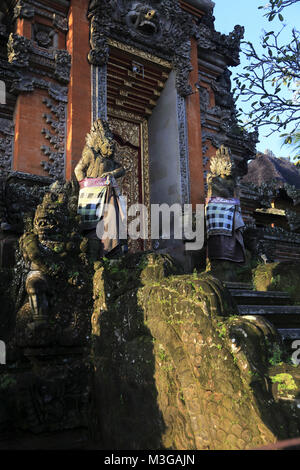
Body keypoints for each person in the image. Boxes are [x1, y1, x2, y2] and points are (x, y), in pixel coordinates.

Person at [74, 119, 126, 260]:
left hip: (107, 193)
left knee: (111, 217)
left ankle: (112, 246)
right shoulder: (90, 154)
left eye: (112, 148)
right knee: (93, 225)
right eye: (108, 148)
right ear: (99, 145)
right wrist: (86, 186)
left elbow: (122, 169)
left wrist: (111, 173)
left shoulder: (109, 160)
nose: (111, 151)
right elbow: (78, 170)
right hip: (91, 194)